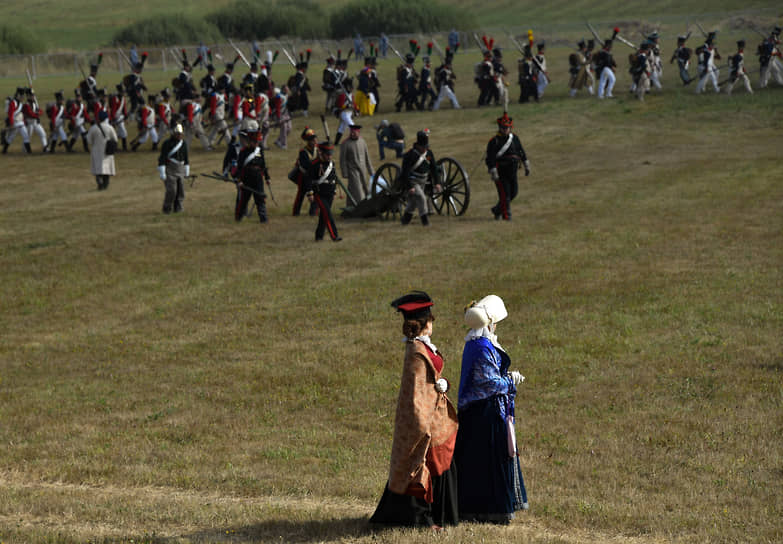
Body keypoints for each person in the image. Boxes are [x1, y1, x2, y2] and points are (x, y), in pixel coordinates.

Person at [370, 291, 459, 530]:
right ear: (423, 323)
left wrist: (443, 384)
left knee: (441, 460)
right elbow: (416, 396)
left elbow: (429, 382)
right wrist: (423, 427)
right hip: (426, 418)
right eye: (430, 319)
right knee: (423, 464)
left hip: (437, 413)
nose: (433, 323)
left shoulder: (422, 347)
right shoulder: (416, 353)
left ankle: (439, 514)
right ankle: (422, 518)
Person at [455, 294, 528, 524]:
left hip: (483, 411)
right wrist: (511, 380)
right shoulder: (481, 347)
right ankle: (489, 510)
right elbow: (489, 383)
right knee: (486, 462)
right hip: (483, 414)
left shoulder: (476, 344)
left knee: (481, 461)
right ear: (490, 323)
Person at [486, 113, 529, 221]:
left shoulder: (514, 138)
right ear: (500, 127)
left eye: (507, 128)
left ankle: (497, 210)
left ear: (510, 127)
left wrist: (526, 164)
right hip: (501, 171)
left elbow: (521, 151)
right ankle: (506, 216)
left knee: (514, 192)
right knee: (505, 195)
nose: (505, 129)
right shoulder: (494, 141)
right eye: (503, 128)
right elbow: (490, 158)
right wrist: (493, 170)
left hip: (513, 170)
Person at [231, 119, 270, 224]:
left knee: (260, 199)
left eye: (257, 142)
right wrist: (239, 180)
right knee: (244, 200)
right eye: (255, 142)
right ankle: (238, 218)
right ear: (250, 141)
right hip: (247, 178)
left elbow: (263, 165)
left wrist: (267, 178)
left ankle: (263, 219)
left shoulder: (259, 151)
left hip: (258, 178)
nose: (256, 144)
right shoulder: (243, 152)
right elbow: (239, 168)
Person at [399, 130, 439, 226]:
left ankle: (405, 220)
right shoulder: (410, 155)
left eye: (426, 147)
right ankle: (425, 221)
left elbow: (433, 167)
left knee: (413, 202)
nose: (425, 149)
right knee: (421, 197)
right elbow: (405, 172)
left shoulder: (428, 154)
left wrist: (437, 182)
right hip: (413, 181)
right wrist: (409, 187)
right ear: (418, 145)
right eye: (423, 147)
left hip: (423, 180)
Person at [304, 141, 342, 242]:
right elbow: (307, 179)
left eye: (330, 154)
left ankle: (319, 236)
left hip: (329, 192)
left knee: (323, 216)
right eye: (327, 154)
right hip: (319, 193)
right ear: (322, 153)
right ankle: (334, 236)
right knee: (328, 214)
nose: (329, 156)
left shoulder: (331, 164)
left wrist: (334, 191)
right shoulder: (314, 164)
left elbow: (333, 177)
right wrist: (310, 193)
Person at [156, 123, 190, 214]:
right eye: (178, 134)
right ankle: (167, 208)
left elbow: (186, 158)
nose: (179, 136)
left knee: (181, 190)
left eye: (180, 134)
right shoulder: (167, 143)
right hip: (170, 169)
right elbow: (162, 157)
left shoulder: (184, 144)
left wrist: (187, 170)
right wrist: (162, 171)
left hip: (180, 169)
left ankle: (178, 207)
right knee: (172, 190)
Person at [339, 124, 374, 204]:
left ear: (358, 132)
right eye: (351, 132)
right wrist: (344, 172)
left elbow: (367, 157)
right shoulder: (345, 143)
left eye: (354, 132)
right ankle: (361, 206)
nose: (352, 134)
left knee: (364, 187)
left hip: (363, 169)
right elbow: (342, 159)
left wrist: (371, 170)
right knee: (357, 188)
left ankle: (352, 204)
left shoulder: (362, 141)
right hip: (352, 170)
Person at [86, 111, 118, 191]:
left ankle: (99, 183)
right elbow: (115, 139)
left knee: (98, 168)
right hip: (107, 150)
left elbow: (89, 140)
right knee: (106, 169)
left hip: (96, 150)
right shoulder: (110, 127)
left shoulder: (93, 128)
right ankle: (105, 184)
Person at [291, 126, 318, 216]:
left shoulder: (317, 149)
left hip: (313, 175)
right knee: (301, 195)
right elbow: (306, 166)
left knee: (315, 193)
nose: (315, 141)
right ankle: (296, 212)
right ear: (308, 141)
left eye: (315, 139)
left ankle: (313, 212)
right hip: (303, 176)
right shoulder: (303, 152)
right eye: (312, 140)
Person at [595, 31, 618, 99]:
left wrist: (614, 64)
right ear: (608, 46)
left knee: (603, 81)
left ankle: (601, 95)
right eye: (610, 46)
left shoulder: (604, 51)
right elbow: (608, 62)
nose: (611, 47)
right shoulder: (605, 53)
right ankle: (608, 93)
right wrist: (612, 67)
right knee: (612, 79)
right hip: (606, 68)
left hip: (604, 68)